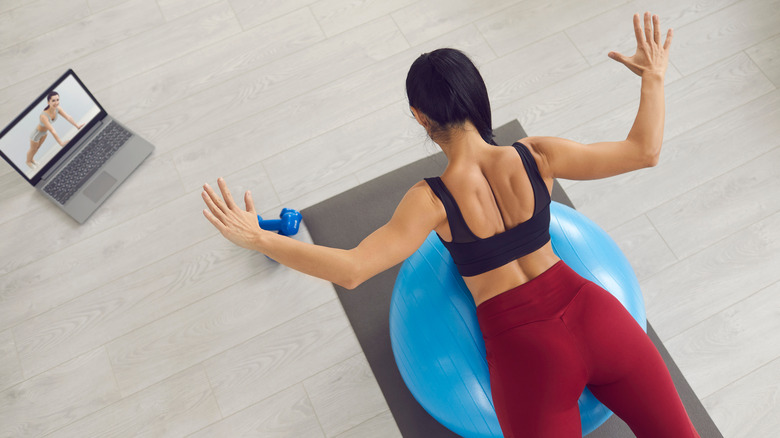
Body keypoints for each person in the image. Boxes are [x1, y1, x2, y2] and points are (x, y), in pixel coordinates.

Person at [202, 12, 699, 438]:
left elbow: (352, 270)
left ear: (420, 117)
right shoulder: (538, 154)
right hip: (596, 314)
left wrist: (259, 236)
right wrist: (652, 75)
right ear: (478, 98)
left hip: (527, 353)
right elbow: (643, 152)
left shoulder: (431, 200)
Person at [26, 91, 84, 169]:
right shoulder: (44, 116)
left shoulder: (58, 109)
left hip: (44, 133)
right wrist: (61, 143)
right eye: (53, 100)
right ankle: (28, 161)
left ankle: (32, 159)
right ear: (48, 102)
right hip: (36, 134)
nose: (56, 102)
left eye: (57, 100)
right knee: (33, 148)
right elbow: (52, 130)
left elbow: (68, 117)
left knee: (38, 148)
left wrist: (77, 126)